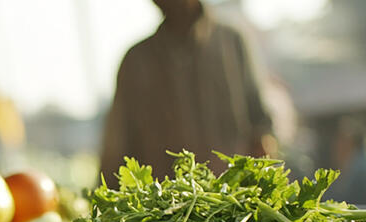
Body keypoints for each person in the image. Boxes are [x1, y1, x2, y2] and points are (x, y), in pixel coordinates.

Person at [100, 0, 275, 182]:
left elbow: (261, 126)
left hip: (233, 200)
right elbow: (116, 148)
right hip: (166, 205)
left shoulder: (231, 43)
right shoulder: (136, 62)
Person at [325, 117, 366, 207]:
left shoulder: (360, 170)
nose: (335, 148)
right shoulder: (349, 167)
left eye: (339, 142)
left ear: (350, 142)